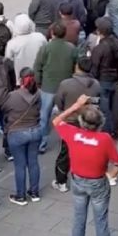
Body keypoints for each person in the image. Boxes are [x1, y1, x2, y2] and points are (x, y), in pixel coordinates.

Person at [54, 94, 118, 236]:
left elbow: (57, 121)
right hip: (98, 182)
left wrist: (76, 105)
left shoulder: (73, 133)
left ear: (81, 122)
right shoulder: (105, 139)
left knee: (78, 220)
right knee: (101, 223)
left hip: (77, 181)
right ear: (100, 124)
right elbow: (117, 160)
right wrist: (110, 173)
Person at [54, 55, 101, 193]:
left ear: (76, 67)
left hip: (70, 122)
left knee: (65, 153)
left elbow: (59, 103)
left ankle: (61, 181)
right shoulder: (96, 84)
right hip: (87, 122)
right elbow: (97, 103)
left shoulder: (66, 84)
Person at [34, 22, 77, 153]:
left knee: (44, 116)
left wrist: (38, 82)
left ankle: (42, 144)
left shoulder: (45, 48)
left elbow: (37, 67)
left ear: (52, 33)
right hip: (66, 87)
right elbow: (76, 65)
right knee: (68, 114)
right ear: (65, 33)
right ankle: (69, 141)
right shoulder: (71, 48)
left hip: (48, 87)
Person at [2, 68, 42, 205]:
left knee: (20, 165)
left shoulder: (13, 95)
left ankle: (21, 195)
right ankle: (35, 192)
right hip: (35, 131)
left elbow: (4, 109)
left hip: (17, 133)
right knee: (33, 163)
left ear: (20, 79)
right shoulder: (38, 94)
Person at [90, 17, 118, 133]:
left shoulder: (99, 49)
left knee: (105, 108)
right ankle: (116, 128)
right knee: (115, 107)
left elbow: (94, 67)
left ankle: (108, 130)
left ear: (100, 32)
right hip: (116, 78)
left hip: (103, 80)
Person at [5, 15, 46, 85]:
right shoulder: (40, 37)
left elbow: (7, 59)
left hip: (21, 80)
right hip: (39, 77)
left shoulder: (12, 43)